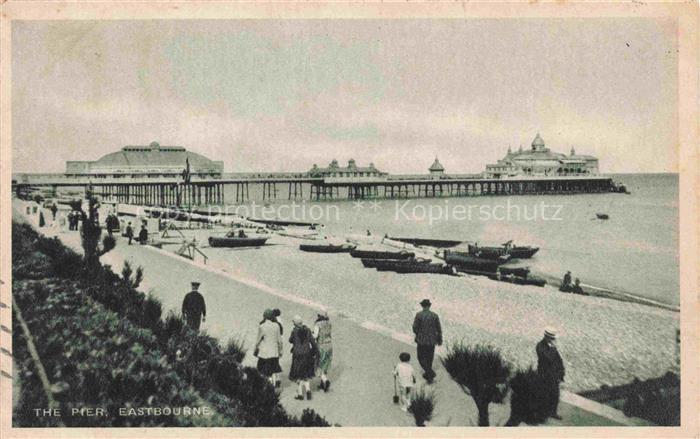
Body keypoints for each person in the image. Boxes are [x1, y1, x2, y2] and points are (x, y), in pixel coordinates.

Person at [536, 328, 565, 420]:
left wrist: (561, 373)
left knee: (555, 394)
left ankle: (553, 412)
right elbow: (547, 358)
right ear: (546, 337)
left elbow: (559, 360)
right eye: (551, 338)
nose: (553, 340)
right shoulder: (540, 346)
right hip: (544, 375)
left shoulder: (551, 347)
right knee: (544, 394)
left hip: (553, 375)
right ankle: (541, 412)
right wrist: (552, 349)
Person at [412, 299, 442, 383]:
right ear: (429, 306)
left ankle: (429, 373)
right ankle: (429, 375)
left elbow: (414, 327)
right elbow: (439, 329)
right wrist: (439, 339)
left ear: (422, 306)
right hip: (432, 340)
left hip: (421, 339)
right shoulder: (435, 315)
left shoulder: (419, 315)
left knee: (420, 357)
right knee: (430, 357)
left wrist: (418, 334)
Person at [289, 315, 317, 400]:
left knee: (298, 375)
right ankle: (308, 391)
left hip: (297, 355)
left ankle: (300, 394)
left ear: (295, 323)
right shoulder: (308, 330)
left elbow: (290, 340)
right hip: (307, 354)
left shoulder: (294, 331)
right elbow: (312, 342)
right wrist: (314, 352)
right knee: (306, 374)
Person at [255, 309, 283, 387]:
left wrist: (256, 349)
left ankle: (267, 386)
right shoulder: (276, 326)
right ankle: (273, 385)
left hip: (264, 353)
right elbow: (279, 341)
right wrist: (281, 350)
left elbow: (258, 340)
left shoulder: (262, 326)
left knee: (264, 371)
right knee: (273, 370)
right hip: (274, 352)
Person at [312, 310, 333, 392]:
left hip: (321, 346)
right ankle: (322, 384)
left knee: (319, 364)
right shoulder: (329, 324)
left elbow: (315, 336)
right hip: (329, 345)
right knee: (325, 364)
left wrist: (311, 334)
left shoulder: (318, 324)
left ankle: (325, 381)